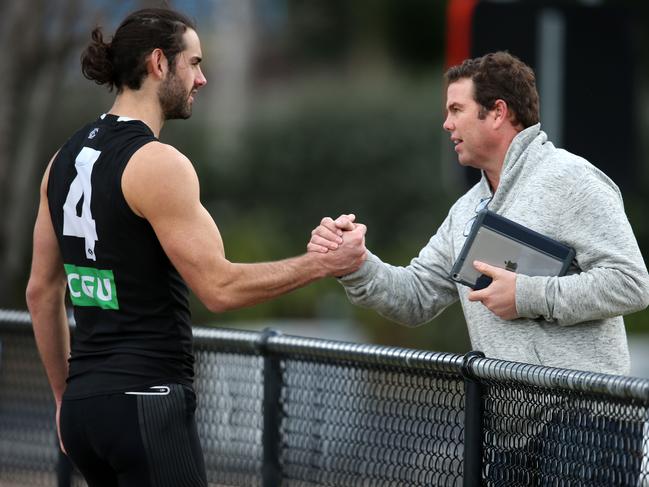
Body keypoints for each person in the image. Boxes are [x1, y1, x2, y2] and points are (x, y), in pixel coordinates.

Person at [25, 8, 365, 487]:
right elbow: (219, 288)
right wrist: (322, 264)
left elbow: (40, 293)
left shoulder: (63, 158)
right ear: (160, 63)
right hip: (147, 401)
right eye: (195, 63)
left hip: (86, 410)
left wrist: (65, 397)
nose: (202, 79)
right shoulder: (157, 163)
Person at [309, 51, 649, 376]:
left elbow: (631, 283)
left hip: (588, 419)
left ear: (498, 112)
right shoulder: (465, 210)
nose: (446, 124)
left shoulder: (572, 179)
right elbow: (414, 297)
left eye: (457, 109)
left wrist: (526, 295)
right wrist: (356, 264)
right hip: (507, 427)